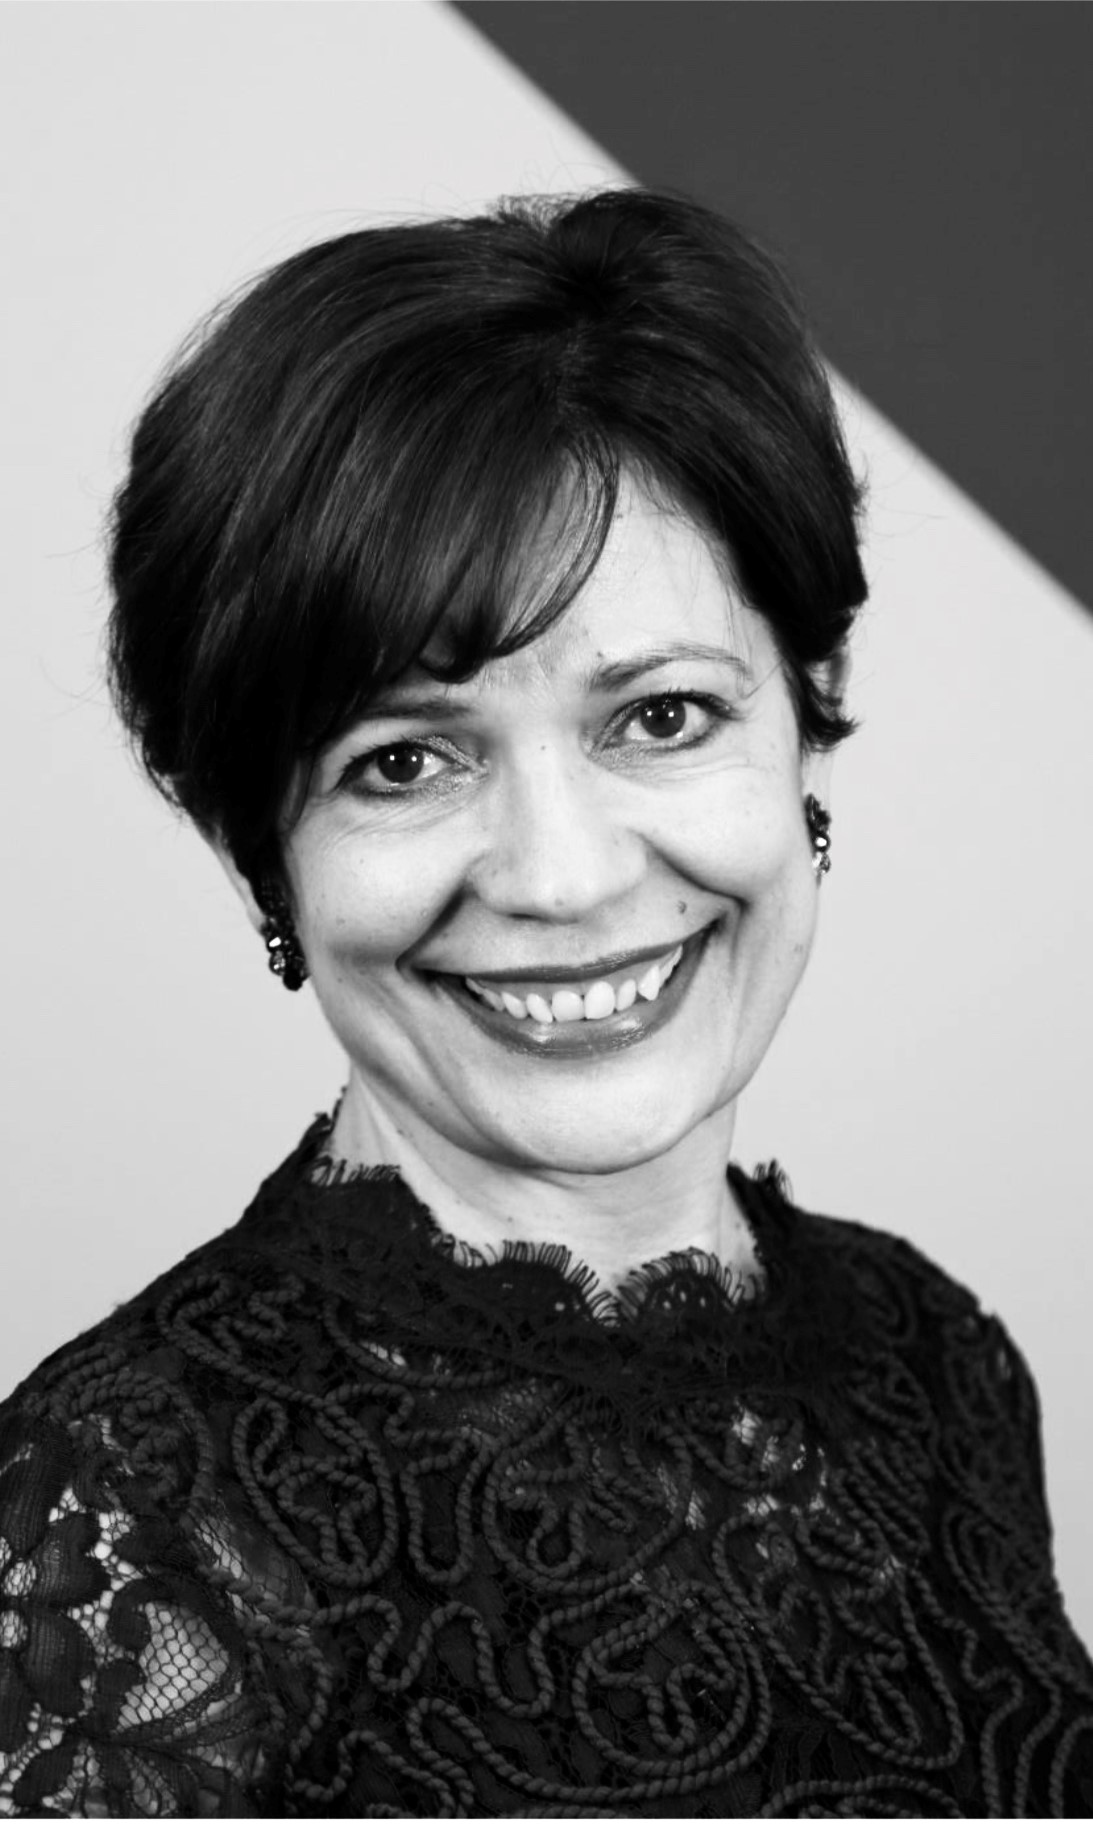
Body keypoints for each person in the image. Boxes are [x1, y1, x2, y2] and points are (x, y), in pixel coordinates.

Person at [0, 187, 1089, 1820]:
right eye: (403, 761)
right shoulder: (124, 1516)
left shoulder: (935, 1358)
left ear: (808, 716)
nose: (563, 878)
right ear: (262, 855)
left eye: (660, 716)